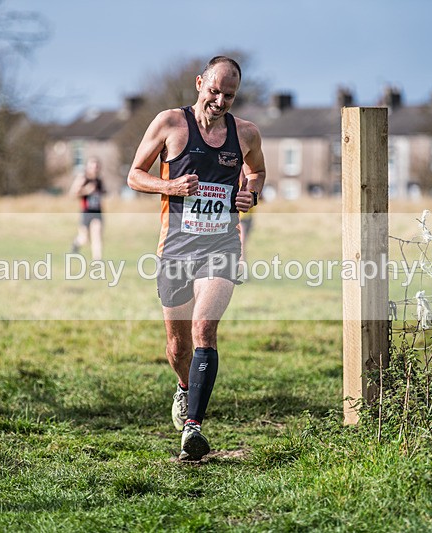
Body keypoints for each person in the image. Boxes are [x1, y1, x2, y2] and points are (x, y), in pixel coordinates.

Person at [127, 56, 266, 461]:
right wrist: (170, 186)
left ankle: (193, 430)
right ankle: (185, 388)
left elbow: (256, 172)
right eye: (215, 91)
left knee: (205, 330)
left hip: (221, 246)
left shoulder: (247, 134)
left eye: (230, 95)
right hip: (175, 249)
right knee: (178, 347)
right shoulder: (170, 123)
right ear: (200, 82)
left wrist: (251, 194)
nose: (220, 101)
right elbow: (135, 174)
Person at [69, 156, 104, 260]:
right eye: (92, 166)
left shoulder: (99, 181)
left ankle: (97, 261)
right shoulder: (83, 179)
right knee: (84, 238)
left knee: (96, 236)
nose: (94, 169)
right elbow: (72, 194)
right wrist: (86, 190)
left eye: (96, 167)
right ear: (88, 167)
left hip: (97, 212)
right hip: (86, 212)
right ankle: (76, 244)